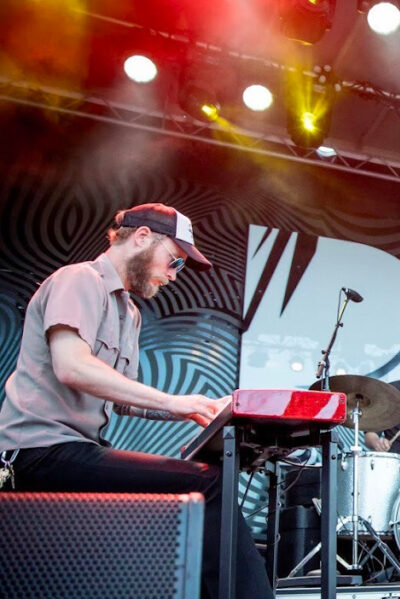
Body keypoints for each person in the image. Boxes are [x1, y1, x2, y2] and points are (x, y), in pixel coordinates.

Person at [0, 203, 274, 599]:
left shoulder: (128, 311)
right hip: (35, 453)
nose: (172, 275)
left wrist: (191, 405)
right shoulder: (79, 280)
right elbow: (71, 367)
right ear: (143, 237)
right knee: (207, 484)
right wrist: (172, 401)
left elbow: (124, 395)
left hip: (73, 452)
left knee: (191, 498)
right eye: (173, 261)